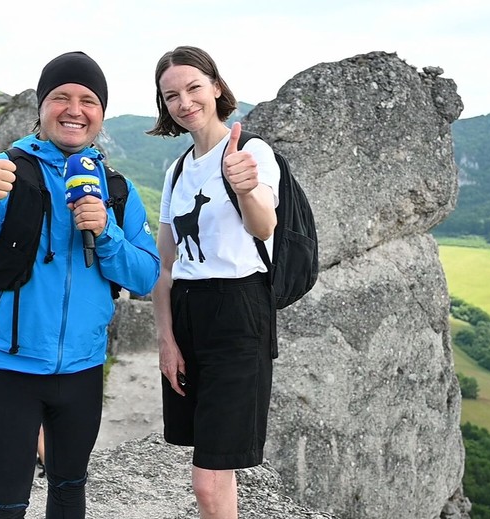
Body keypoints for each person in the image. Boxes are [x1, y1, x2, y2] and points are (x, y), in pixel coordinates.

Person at [0, 50, 160, 519]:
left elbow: (146, 275)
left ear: (101, 113)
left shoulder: (116, 190)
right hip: (9, 368)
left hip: (83, 369)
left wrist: (106, 233)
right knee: (5, 503)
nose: (75, 110)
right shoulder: (4, 174)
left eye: (88, 100)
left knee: (70, 491)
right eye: (60, 97)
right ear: (41, 106)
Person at [147, 45, 280, 519]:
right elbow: (165, 264)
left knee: (208, 478)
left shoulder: (252, 152)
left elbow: (264, 226)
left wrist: (246, 188)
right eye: (171, 96)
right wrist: (166, 340)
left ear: (216, 87)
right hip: (188, 311)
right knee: (211, 466)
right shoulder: (177, 170)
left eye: (193, 88)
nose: (184, 102)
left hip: (237, 312)